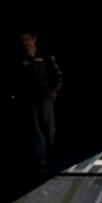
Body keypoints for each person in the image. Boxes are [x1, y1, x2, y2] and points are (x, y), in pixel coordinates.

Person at [16, 30, 63, 170]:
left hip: (45, 95)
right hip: (30, 98)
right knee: (36, 128)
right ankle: (41, 158)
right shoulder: (22, 59)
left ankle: (53, 155)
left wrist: (54, 90)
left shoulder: (45, 56)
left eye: (28, 39)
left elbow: (57, 74)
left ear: (34, 39)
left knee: (49, 127)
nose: (26, 42)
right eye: (23, 40)